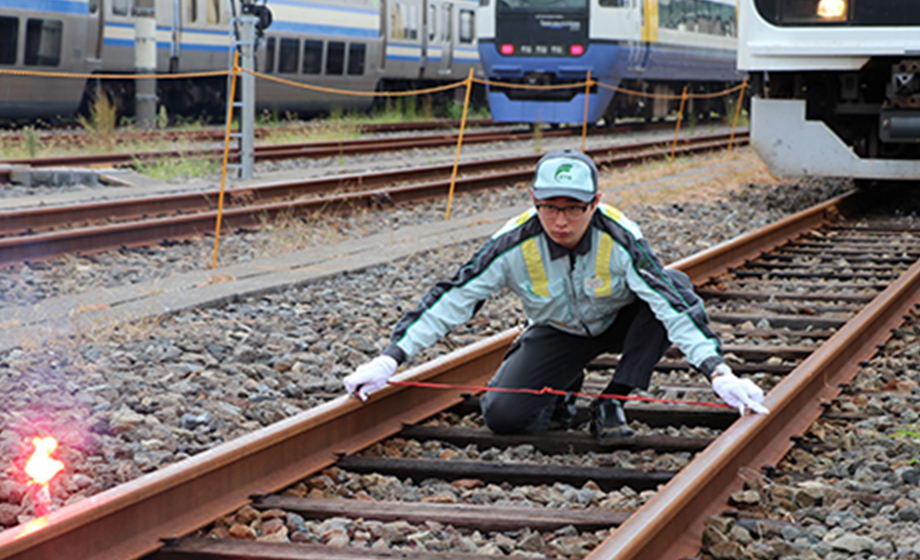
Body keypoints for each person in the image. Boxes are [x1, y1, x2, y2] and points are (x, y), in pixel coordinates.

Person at [344, 148, 769, 444]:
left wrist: (719, 373)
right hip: (560, 329)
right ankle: (565, 388)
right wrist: (389, 359)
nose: (560, 221)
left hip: (624, 321)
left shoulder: (620, 239)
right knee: (503, 417)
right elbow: (451, 299)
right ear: (534, 200)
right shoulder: (511, 244)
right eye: (549, 207)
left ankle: (612, 402)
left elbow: (670, 309)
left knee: (674, 286)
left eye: (573, 208)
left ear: (595, 203)